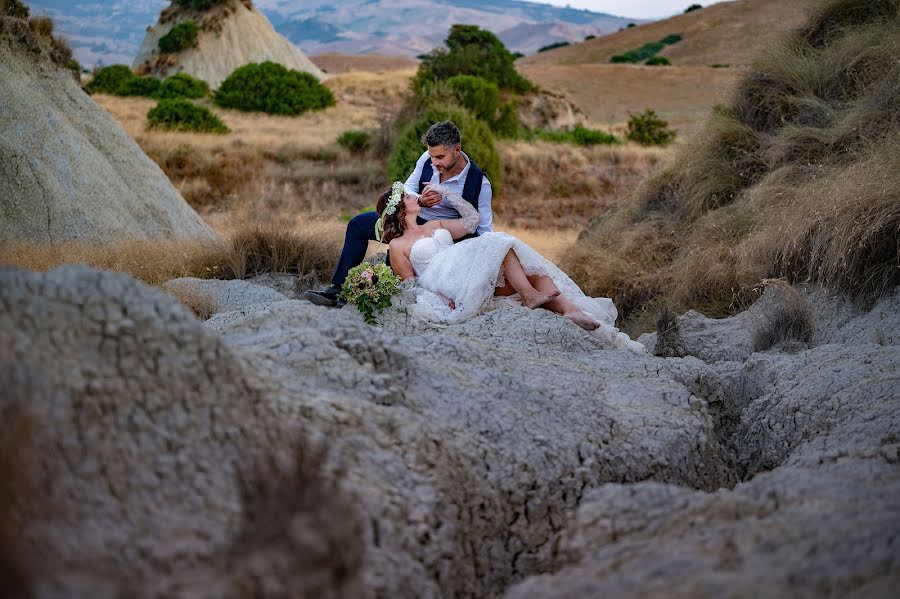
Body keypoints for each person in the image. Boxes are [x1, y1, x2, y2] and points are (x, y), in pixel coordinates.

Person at [374, 180, 646, 352]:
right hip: (446, 279)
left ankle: (570, 311)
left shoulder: (434, 225)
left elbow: (472, 220)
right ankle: (530, 296)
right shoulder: (398, 246)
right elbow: (412, 285)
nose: (416, 197)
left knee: (533, 272)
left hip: (465, 264)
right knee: (498, 242)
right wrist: (442, 299)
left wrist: (446, 193)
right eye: (410, 196)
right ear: (399, 207)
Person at [304, 120, 492, 307]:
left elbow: (484, 229)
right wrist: (420, 201)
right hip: (413, 218)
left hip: (442, 235)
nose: (434, 163)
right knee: (358, 224)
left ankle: (361, 295)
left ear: (457, 150)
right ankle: (336, 290)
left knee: (391, 264)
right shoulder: (428, 158)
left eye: (440, 157)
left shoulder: (479, 183)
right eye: (432, 156)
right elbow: (407, 187)